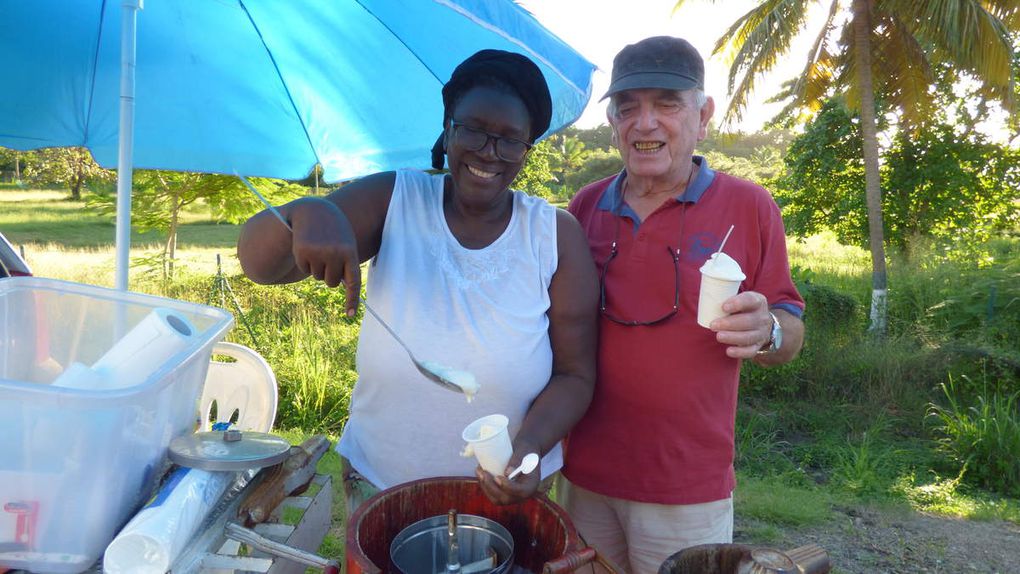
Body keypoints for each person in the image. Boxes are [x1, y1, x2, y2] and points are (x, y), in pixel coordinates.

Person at [237, 49, 598, 513]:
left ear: (527, 150)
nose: (489, 152)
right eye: (473, 129)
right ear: (447, 129)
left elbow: (575, 375)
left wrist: (528, 447)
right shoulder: (395, 199)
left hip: (506, 492)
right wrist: (307, 213)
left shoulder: (553, 234)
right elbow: (259, 265)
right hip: (382, 483)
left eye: (510, 140)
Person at [560, 36, 806, 573]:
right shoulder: (584, 207)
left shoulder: (749, 205)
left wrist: (769, 331)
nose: (645, 123)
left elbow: (789, 326)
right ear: (613, 124)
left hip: (687, 486)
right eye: (628, 108)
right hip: (584, 478)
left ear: (703, 116)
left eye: (666, 104)